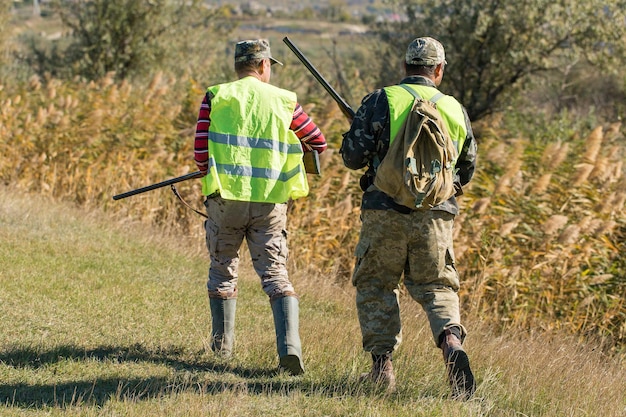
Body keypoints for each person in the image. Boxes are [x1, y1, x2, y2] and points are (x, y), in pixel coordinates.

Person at [340, 36, 477, 399]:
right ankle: (451, 342)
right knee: (437, 287)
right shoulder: (454, 108)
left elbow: (352, 157)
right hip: (435, 217)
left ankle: (382, 370)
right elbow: (467, 167)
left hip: (384, 212)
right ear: (439, 70)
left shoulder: (381, 100)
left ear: (405, 67)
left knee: (376, 286)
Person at [193, 39, 327, 375]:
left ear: (238, 66)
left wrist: (209, 169)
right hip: (269, 201)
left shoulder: (217, 96)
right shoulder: (285, 101)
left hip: (226, 200)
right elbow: (318, 142)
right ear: (265, 65)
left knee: (223, 267)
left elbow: (199, 154)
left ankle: (221, 350)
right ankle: (289, 349)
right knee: (275, 273)